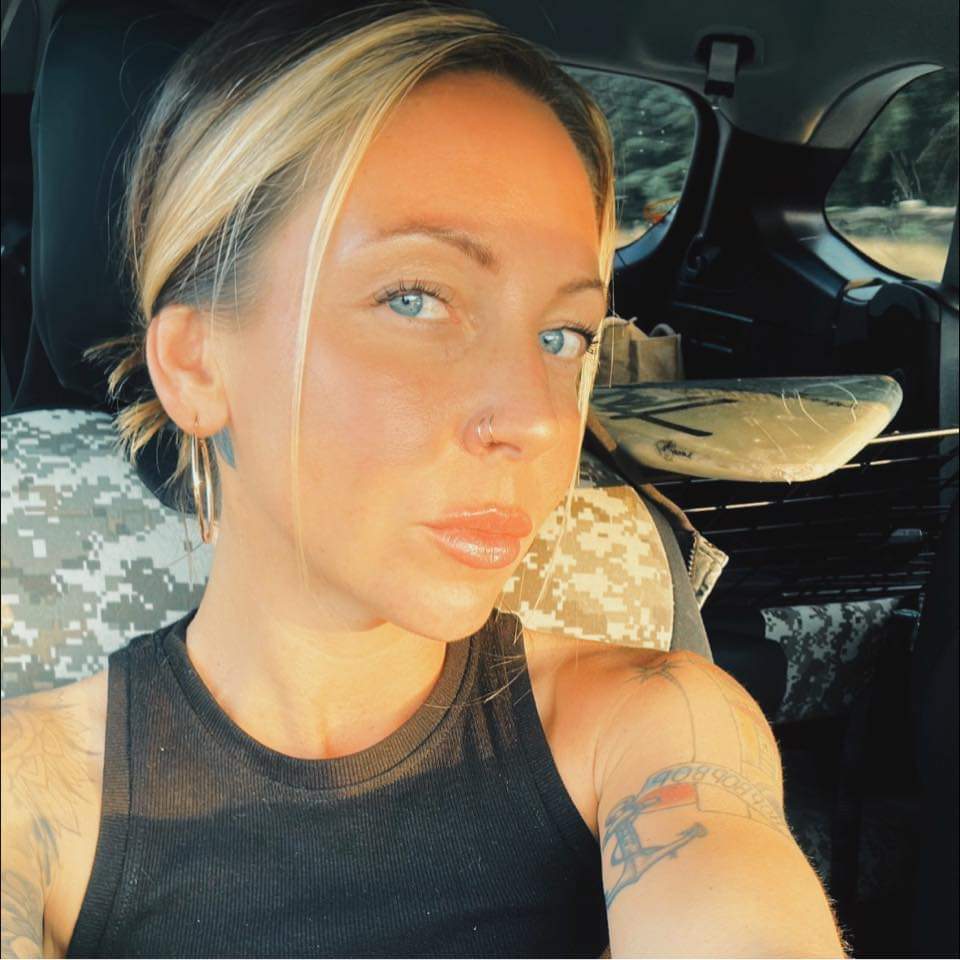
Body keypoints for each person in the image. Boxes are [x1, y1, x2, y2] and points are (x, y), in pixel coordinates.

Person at [1, 2, 847, 957]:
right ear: (197, 365)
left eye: (562, 336)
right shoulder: (31, 792)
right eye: (414, 298)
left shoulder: (654, 723)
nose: (537, 420)